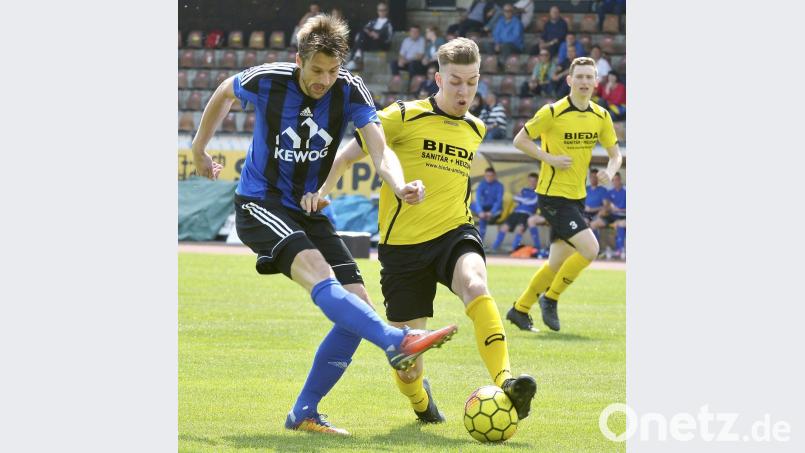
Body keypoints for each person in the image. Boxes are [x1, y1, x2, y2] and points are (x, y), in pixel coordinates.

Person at [191, 14, 458, 435]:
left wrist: (400, 183)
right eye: (316, 70)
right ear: (299, 60)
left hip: (309, 210)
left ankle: (304, 412)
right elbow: (225, 91)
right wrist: (199, 148)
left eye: (333, 71)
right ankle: (395, 341)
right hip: (260, 203)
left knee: (358, 307)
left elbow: (378, 148)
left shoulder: (349, 89)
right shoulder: (270, 79)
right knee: (319, 273)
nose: (324, 80)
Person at [314, 37, 537, 424]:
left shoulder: (476, 127)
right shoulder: (401, 115)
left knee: (476, 284)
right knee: (407, 362)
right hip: (402, 250)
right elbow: (348, 156)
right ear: (438, 77)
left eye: (471, 81)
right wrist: (320, 193)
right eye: (455, 81)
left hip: (454, 232)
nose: (463, 90)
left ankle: (508, 383)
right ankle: (422, 403)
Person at [505, 56, 622, 333]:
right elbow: (519, 140)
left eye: (588, 77)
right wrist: (548, 158)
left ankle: (519, 310)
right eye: (578, 76)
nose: (584, 81)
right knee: (591, 249)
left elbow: (615, 154)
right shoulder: (553, 112)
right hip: (552, 197)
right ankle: (551, 298)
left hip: (577, 197)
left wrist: (609, 170)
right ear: (569, 80)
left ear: (596, 81)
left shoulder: (601, 116)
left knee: (556, 262)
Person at [491, 172, 546, 253]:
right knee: (504, 227)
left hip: (527, 214)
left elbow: (532, 202)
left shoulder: (538, 192)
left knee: (520, 229)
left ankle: (514, 250)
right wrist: (523, 199)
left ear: (537, 181)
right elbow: (514, 197)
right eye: (530, 181)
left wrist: (522, 199)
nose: (532, 183)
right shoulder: (524, 189)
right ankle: (494, 248)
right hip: (516, 212)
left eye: (534, 181)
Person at [346, 2, 393, 68]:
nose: (381, 12)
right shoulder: (373, 21)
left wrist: (378, 36)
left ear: (387, 11)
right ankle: (356, 58)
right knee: (360, 35)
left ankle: (355, 59)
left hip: (379, 44)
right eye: (380, 10)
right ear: (377, 11)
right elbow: (364, 28)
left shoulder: (388, 24)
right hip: (369, 42)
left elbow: (388, 39)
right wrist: (370, 33)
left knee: (360, 39)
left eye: (383, 10)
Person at [590, 172, 626, 258]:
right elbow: (606, 206)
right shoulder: (610, 192)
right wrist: (603, 210)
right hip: (612, 216)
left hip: (624, 216)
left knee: (619, 224)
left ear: (620, 180)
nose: (615, 182)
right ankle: (596, 250)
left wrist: (620, 209)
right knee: (593, 224)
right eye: (613, 180)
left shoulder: (626, 191)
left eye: (616, 180)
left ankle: (619, 250)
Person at [471, 167, 505, 243]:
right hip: (483, 209)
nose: (489, 178)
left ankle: (480, 242)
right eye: (487, 176)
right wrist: (480, 211)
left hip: (494, 210)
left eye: (491, 175)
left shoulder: (499, 186)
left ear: (495, 176)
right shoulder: (481, 184)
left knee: (484, 218)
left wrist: (492, 212)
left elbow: (498, 201)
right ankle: (479, 242)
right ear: (484, 176)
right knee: (470, 205)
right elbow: (478, 199)